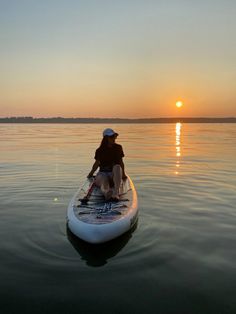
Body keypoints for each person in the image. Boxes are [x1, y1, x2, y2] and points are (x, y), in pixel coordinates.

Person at [87, 128, 127, 201]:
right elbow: (97, 163)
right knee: (104, 181)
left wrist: (123, 174)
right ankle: (106, 193)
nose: (114, 138)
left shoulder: (118, 147)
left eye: (114, 136)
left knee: (117, 166)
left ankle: (115, 193)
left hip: (114, 174)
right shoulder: (99, 150)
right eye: (112, 137)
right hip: (103, 173)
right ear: (106, 138)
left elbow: (121, 162)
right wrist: (91, 173)